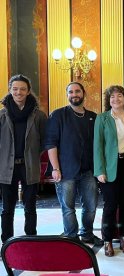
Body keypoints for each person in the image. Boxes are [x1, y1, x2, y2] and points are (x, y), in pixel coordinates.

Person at [44, 82, 103, 246]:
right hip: (65, 171)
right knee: (68, 208)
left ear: (84, 93)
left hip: (89, 171)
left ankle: (87, 234)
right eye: (71, 92)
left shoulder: (93, 117)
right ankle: (71, 237)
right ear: (67, 95)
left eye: (77, 91)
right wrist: (55, 168)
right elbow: (51, 143)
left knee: (91, 207)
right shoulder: (58, 115)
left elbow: (98, 146)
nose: (74, 94)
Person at [94, 85, 124, 257]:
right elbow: (98, 147)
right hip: (109, 168)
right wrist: (100, 170)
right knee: (109, 206)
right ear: (109, 101)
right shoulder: (102, 119)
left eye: (119, 96)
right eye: (112, 97)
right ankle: (107, 241)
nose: (116, 99)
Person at [0, 74, 47, 243]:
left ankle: (31, 239)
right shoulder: (2, 115)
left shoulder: (39, 115)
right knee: (7, 208)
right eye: (15, 89)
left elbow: (44, 141)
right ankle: (6, 242)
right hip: (7, 167)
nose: (18, 92)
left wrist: (32, 155)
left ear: (28, 91)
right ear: (10, 90)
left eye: (22, 89)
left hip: (29, 165)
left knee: (30, 207)